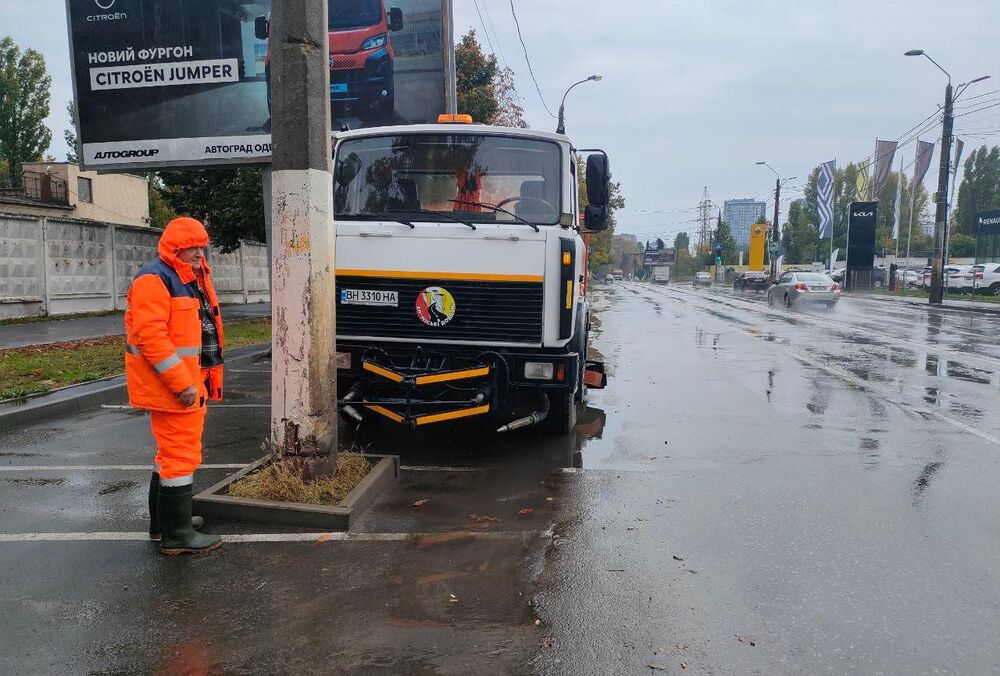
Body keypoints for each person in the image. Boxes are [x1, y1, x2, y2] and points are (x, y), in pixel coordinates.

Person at [125, 217, 225, 555]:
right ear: (174, 248)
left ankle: (163, 525)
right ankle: (178, 535)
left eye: (201, 245)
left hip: (182, 384)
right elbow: (151, 337)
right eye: (190, 247)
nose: (199, 252)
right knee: (180, 456)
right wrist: (182, 384)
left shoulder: (186, 278)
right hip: (173, 387)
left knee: (169, 454)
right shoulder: (156, 279)